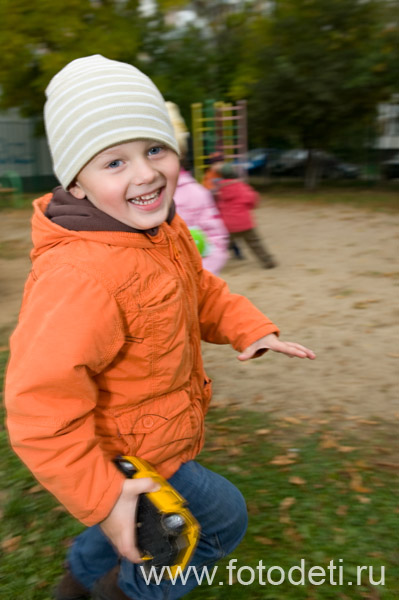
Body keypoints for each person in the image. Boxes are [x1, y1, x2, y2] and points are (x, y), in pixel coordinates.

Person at [4, 55, 315, 600]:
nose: (146, 173)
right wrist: (103, 495)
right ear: (76, 183)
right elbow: (39, 406)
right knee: (220, 519)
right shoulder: (82, 276)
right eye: (114, 162)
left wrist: (249, 329)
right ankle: (131, 593)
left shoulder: (159, 229)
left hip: (155, 433)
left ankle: (77, 585)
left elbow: (200, 291)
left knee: (129, 521)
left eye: (154, 149)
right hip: (132, 449)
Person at [165, 102, 229, 275]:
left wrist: (198, 275)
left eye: (157, 150)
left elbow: (215, 239)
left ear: (180, 154)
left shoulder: (195, 194)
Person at [215, 163, 277, 269]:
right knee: (255, 243)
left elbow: (217, 205)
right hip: (245, 222)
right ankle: (268, 261)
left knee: (222, 245)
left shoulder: (220, 189)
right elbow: (252, 199)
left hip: (228, 224)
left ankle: (213, 263)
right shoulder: (241, 187)